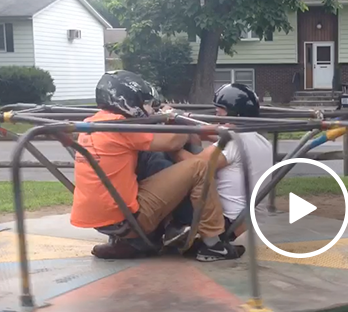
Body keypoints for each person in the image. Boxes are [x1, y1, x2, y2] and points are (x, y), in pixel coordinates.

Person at [70, 70, 245, 262]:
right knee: (199, 166)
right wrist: (177, 118)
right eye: (143, 101)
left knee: (150, 157)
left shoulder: (94, 122)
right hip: (128, 219)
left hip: (103, 218)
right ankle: (213, 245)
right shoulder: (120, 125)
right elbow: (172, 142)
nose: (146, 107)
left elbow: (155, 145)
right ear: (127, 100)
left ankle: (143, 240)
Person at [163, 83, 273, 245]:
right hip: (248, 220)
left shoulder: (234, 143)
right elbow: (210, 134)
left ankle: (175, 228)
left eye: (219, 111)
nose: (216, 115)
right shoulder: (260, 140)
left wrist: (170, 147)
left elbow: (194, 166)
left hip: (228, 222)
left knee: (168, 171)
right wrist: (187, 123)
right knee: (192, 143)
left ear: (233, 113)